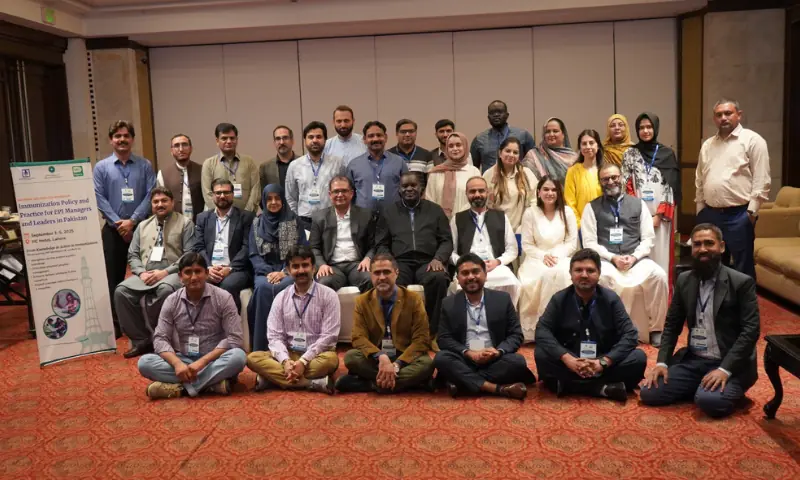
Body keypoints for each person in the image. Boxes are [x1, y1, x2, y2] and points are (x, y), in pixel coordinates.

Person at [640, 223, 760, 418]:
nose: (703, 249)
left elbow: (751, 331)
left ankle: (718, 387)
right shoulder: (685, 280)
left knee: (710, 402)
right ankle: (701, 386)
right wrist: (662, 363)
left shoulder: (741, 282)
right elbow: (672, 325)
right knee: (649, 393)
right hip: (695, 360)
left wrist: (724, 369)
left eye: (709, 243)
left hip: (729, 363)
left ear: (721, 246)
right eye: (697, 244)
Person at [535, 248, 647, 401]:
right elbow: (542, 331)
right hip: (571, 360)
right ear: (571, 274)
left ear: (599, 273)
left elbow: (630, 334)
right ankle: (602, 388)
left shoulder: (610, 299)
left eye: (590, 270)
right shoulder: (559, 299)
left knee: (638, 358)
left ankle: (570, 386)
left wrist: (603, 362)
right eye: (578, 270)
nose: (584, 275)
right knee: (540, 354)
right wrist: (568, 359)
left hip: (602, 361)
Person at [137, 253, 246, 399]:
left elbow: (234, 337)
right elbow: (160, 339)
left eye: (198, 271)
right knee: (144, 363)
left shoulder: (223, 297)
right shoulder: (172, 301)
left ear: (206, 273)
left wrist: (202, 363)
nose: (194, 277)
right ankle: (210, 384)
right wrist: (177, 364)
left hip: (213, 359)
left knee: (238, 357)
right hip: (184, 360)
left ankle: (181, 389)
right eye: (188, 272)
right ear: (180, 277)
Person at [581, 163, 668, 345]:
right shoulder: (591, 207)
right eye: (605, 179)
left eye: (614, 177)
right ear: (600, 182)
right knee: (601, 278)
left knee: (659, 276)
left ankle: (656, 329)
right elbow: (589, 242)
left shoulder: (638, 204)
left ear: (621, 178)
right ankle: (610, 330)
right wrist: (612, 258)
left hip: (635, 259)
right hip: (607, 260)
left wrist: (634, 257)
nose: (610, 181)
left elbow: (648, 238)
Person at [434, 254, 536, 399]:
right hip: (465, 358)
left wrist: (498, 352)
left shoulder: (502, 299)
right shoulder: (448, 303)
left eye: (475, 272)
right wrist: (468, 353)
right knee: (441, 358)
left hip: (494, 358)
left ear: (485, 275)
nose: (470, 277)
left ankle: (462, 382)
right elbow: (443, 338)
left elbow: (516, 334)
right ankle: (496, 388)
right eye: (465, 273)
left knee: (517, 361)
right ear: (458, 278)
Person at [246, 245, 340, 394]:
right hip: (289, 353)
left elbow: (329, 337)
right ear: (289, 271)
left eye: (305, 265)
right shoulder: (281, 297)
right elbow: (274, 336)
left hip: (316, 355)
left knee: (331, 360)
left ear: (313, 268)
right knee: (252, 358)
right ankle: (313, 383)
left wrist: (303, 361)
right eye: (295, 267)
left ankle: (271, 379)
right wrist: (285, 361)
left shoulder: (329, 295)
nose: (301, 270)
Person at [336, 253, 435, 393]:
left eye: (386, 272)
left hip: (404, 357)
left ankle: (370, 385)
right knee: (351, 358)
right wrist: (380, 357)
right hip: (377, 357)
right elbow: (358, 337)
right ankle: (412, 383)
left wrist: (396, 365)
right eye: (377, 273)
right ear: (371, 275)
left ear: (396, 273)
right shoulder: (362, 301)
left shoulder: (413, 299)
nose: (382, 277)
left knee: (427, 364)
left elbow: (422, 339)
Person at [115, 187, 195, 358]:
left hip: (172, 272)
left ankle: (162, 337)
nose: (160, 204)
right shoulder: (142, 226)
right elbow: (133, 254)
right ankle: (142, 340)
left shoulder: (185, 223)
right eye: (156, 202)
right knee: (121, 292)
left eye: (164, 201)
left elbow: (189, 255)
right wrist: (141, 272)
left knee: (165, 290)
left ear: (172, 202)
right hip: (146, 272)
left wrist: (165, 272)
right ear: (151, 205)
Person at [695, 99, 771, 279]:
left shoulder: (753, 141)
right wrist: (700, 211)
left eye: (728, 113)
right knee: (712, 265)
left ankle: (745, 307)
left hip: (739, 215)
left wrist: (751, 213)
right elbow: (700, 178)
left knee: (742, 267)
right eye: (719, 115)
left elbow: (762, 179)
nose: (723, 118)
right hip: (710, 214)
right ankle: (717, 306)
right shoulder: (708, 145)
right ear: (714, 118)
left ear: (739, 115)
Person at [94, 120, 156, 337]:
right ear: (111, 140)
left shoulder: (145, 165)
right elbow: (99, 197)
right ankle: (118, 323)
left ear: (132, 139)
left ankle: (145, 320)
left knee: (146, 273)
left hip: (142, 229)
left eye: (126, 136)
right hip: (113, 231)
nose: (122, 139)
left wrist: (133, 221)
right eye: (117, 136)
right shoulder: (101, 167)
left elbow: (151, 194)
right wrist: (119, 223)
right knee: (114, 277)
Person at [376, 172, 453, 340]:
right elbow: (381, 243)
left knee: (438, 278)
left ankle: (434, 333)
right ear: (399, 190)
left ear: (422, 188)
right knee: (389, 280)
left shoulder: (435, 210)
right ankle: (400, 332)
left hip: (428, 261)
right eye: (405, 186)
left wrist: (438, 258)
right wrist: (390, 263)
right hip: (400, 262)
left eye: (413, 185)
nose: (409, 189)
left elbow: (446, 240)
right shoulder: (389, 212)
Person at [622, 112, 681, 284]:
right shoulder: (630, 154)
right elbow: (626, 185)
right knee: (639, 256)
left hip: (661, 218)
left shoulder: (667, 154)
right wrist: (639, 214)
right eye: (641, 128)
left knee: (661, 256)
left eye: (649, 127)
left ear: (655, 129)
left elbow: (671, 187)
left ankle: (663, 301)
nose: (645, 131)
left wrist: (659, 215)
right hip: (637, 215)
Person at [518, 176, 578, 340]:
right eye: (546, 189)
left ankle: (562, 327)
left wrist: (556, 256)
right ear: (538, 192)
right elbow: (527, 244)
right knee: (540, 277)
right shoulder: (530, 213)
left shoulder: (567, 212)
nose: (550, 193)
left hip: (561, 257)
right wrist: (543, 256)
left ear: (559, 193)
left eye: (554, 190)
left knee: (562, 274)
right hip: (536, 258)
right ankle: (539, 329)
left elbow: (572, 243)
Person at [248, 184, 307, 352]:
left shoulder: (294, 220)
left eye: (277, 198)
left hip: (290, 269)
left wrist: (283, 272)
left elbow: (302, 250)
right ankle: (262, 348)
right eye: (269, 199)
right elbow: (253, 254)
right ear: (264, 201)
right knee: (263, 288)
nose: (273, 202)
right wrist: (269, 272)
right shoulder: (256, 223)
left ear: (283, 200)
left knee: (286, 285)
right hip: (264, 271)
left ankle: (292, 346)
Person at [449, 177, 521, 305]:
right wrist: (464, 263)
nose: (477, 195)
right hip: (468, 268)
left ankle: (504, 319)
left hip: (494, 267)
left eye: (481, 191)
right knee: (460, 286)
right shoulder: (457, 219)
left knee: (512, 282)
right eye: (472, 191)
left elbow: (512, 249)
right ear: (466, 194)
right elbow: (451, 252)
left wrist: (497, 262)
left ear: (487, 193)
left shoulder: (500, 216)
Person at [193, 178, 255, 311]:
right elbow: (198, 247)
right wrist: (208, 267)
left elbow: (247, 247)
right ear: (212, 195)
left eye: (226, 192)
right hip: (210, 268)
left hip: (237, 269)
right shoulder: (202, 218)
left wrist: (230, 268)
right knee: (197, 282)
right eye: (218, 193)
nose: (222, 196)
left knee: (228, 285)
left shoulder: (246, 217)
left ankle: (232, 326)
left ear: (233, 194)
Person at [310, 176, 375, 292]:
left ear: (351, 193)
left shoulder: (365, 215)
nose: (340, 195)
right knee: (324, 282)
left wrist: (368, 258)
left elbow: (373, 245)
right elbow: (313, 248)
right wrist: (321, 265)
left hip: (357, 265)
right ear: (330, 194)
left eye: (344, 191)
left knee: (371, 279)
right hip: (331, 266)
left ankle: (366, 310)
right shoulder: (319, 217)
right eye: (336, 191)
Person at [285, 121, 345, 231]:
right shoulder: (294, 166)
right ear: (305, 141)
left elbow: (344, 193)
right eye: (310, 137)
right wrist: (297, 218)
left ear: (325, 140)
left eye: (319, 137)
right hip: (304, 222)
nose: (315, 140)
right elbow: (290, 197)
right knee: (307, 249)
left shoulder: (338, 164)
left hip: (331, 221)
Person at [346, 121, 407, 211]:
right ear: (364, 139)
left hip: (393, 217)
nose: (375, 139)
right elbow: (348, 194)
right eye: (371, 136)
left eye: (379, 135)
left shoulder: (399, 162)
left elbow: (406, 190)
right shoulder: (354, 165)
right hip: (363, 218)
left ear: (385, 138)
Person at [201, 123, 260, 212]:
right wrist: (222, 215)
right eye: (224, 138)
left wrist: (246, 214)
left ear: (237, 140)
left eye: (232, 138)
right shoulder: (208, 164)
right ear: (217, 141)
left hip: (246, 217)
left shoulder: (249, 162)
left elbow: (255, 190)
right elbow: (208, 194)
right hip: (218, 220)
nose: (229, 141)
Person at [482, 136, 537, 231]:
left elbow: (534, 201)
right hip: (495, 230)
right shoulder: (488, 175)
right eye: (507, 151)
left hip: (520, 231)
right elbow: (484, 204)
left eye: (515, 152)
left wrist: (525, 225)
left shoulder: (527, 174)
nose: (511, 155)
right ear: (500, 153)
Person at [426, 132, 482, 219]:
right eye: (451, 146)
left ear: (465, 147)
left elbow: (477, 197)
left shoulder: (474, 172)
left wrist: (459, 218)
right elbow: (429, 199)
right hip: (440, 223)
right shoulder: (436, 172)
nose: (455, 149)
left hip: (466, 221)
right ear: (446, 149)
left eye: (458, 145)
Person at [470, 100, 536, 173]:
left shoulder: (523, 135)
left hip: (518, 181)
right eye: (492, 113)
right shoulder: (479, 139)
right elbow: (474, 169)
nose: (496, 115)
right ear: (488, 117)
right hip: (490, 182)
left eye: (499, 112)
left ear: (507, 115)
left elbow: (534, 162)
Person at [157, 134, 203, 223]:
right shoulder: (163, 174)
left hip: (199, 224)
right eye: (176, 146)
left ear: (191, 148)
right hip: (174, 225)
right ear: (171, 151)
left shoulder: (202, 170)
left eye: (184, 145)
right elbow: (161, 202)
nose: (181, 149)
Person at [564, 129, 603, 229]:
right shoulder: (572, 171)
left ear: (598, 146)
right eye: (584, 144)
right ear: (580, 147)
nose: (588, 147)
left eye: (591, 143)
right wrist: (579, 225)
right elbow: (570, 202)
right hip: (580, 226)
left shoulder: (605, 171)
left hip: (603, 225)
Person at [522, 117, 578, 186]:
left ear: (563, 134)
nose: (551, 134)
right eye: (547, 131)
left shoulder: (574, 158)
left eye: (555, 131)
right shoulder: (533, 155)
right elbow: (525, 181)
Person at [259, 125, 297, 191]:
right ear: (274, 143)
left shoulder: (304, 163)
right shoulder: (265, 167)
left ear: (292, 141)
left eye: (285, 138)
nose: (282, 142)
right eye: (278, 139)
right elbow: (263, 195)